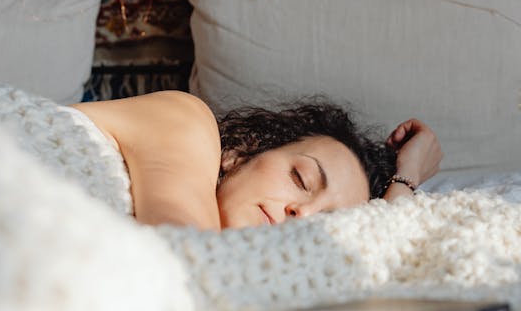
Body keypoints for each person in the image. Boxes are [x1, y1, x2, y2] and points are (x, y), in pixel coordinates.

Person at [71, 90, 442, 230]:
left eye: (327, 222)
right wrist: (404, 184)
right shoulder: (185, 120)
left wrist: (405, 178)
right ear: (242, 149)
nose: (303, 214)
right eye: (301, 178)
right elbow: (191, 267)